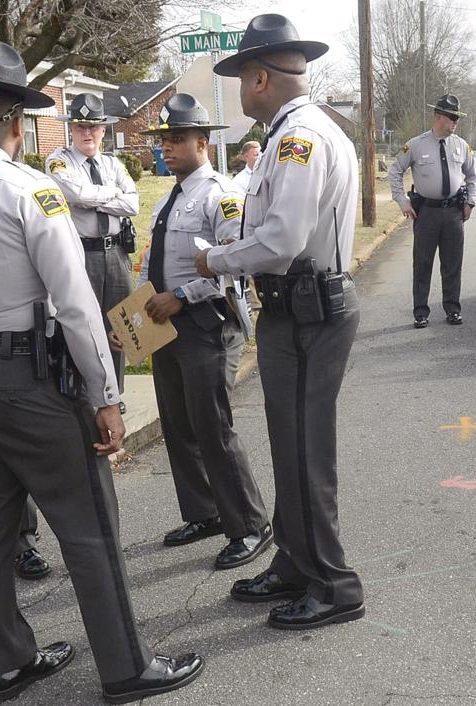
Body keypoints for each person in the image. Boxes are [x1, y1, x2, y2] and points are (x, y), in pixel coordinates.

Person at [0, 40, 202, 703]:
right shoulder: (31, 190)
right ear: (14, 121)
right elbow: (75, 306)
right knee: (88, 521)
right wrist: (107, 395)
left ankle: (4, 662)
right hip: (33, 380)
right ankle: (125, 668)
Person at [196, 13, 365, 630]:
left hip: (307, 308)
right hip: (299, 309)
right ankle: (297, 562)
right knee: (292, 446)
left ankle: (334, 584)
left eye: (241, 78)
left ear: (259, 77)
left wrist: (213, 258)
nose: (240, 92)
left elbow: (282, 239)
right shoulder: (300, 133)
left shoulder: (299, 139)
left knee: (305, 450)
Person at [132, 93, 272, 570]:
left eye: (176, 139)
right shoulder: (171, 196)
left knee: (212, 426)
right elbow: (157, 261)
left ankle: (251, 525)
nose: (166, 148)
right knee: (178, 423)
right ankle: (204, 512)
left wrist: (181, 296)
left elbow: (236, 262)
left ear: (202, 143)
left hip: (207, 324)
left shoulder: (220, 193)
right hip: (166, 327)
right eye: (163, 141)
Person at [45, 93, 138, 395]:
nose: (87, 133)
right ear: (71, 129)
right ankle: (86, 393)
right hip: (82, 255)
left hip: (117, 253)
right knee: (85, 324)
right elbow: (76, 195)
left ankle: (115, 392)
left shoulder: (113, 163)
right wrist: (111, 194)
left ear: (103, 130)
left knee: (120, 324)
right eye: (80, 126)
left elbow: (133, 204)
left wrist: (95, 198)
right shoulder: (59, 161)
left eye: (93, 127)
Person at [387, 94, 476, 328]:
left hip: (454, 213)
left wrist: (471, 202)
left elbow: (472, 176)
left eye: (457, 117)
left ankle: (452, 309)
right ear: (437, 116)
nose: (455, 121)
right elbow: (395, 171)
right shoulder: (416, 145)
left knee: (452, 264)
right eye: (451, 117)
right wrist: (402, 201)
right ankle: (420, 312)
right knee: (423, 263)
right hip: (426, 212)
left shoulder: (461, 145)